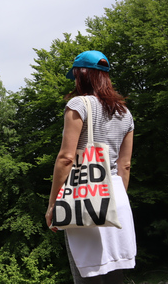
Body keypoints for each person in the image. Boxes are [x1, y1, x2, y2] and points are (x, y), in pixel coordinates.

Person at [45, 50, 136, 283]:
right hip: (117, 199)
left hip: (85, 195)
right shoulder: (125, 113)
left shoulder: (78, 104)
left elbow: (66, 157)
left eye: (75, 75)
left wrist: (53, 203)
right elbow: (124, 165)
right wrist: (114, 200)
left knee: (88, 273)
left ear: (82, 74)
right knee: (115, 274)